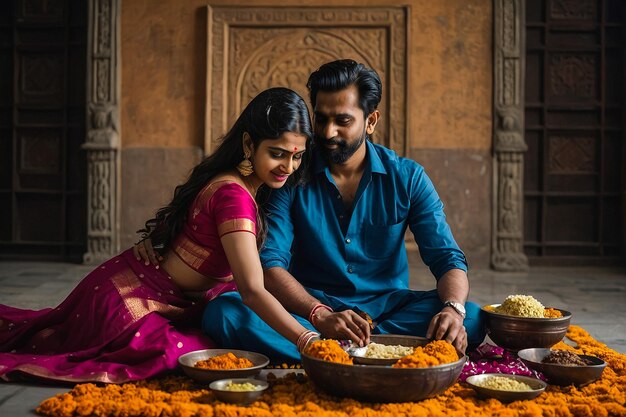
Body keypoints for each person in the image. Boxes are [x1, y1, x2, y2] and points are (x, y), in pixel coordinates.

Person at [139, 60, 486, 364]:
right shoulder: (291, 176)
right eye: (321, 119)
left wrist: (452, 310)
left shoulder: (407, 177)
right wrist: (317, 316)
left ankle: (337, 354)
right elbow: (270, 265)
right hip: (307, 311)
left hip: (388, 312)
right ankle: (366, 354)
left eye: (342, 120)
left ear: (371, 121)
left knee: (471, 316)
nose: (328, 132)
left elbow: (448, 258)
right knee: (225, 314)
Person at [0, 87, 319, 383]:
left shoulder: (245, 185)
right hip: (129, 303)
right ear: (249, 145)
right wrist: (308, 342)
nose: (288, 166)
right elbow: (252, 290)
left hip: (164, 297)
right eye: (277, 154)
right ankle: (328, 353)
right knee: (183, 353)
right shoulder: (234, 195)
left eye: (297, 156)